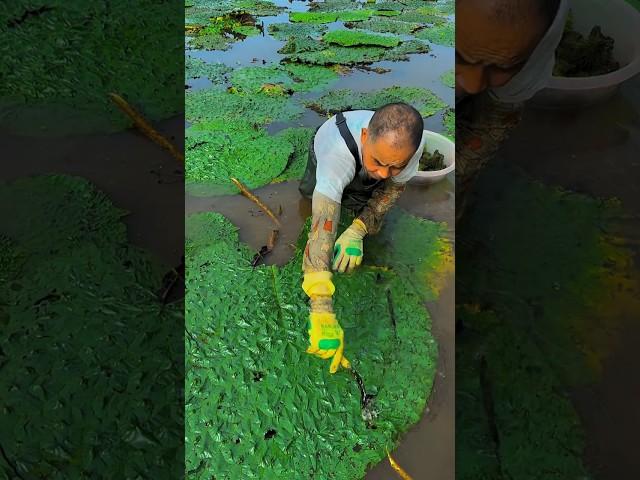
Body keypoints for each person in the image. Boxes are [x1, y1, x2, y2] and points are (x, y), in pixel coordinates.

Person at [298, 103, 425, 373]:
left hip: (365, 156)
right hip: (329, 146)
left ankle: (356, 204)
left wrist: (358, 229)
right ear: (366, 137)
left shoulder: (410, 148)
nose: (383, 173)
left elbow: (390, 191)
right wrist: (321, 305)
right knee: (312, 196)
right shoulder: (336, 155)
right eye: (378, 162)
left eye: (396, 165)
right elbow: (322, 228)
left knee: (363, 200)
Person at [456, 0, 569, 221]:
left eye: (502, 67)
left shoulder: (532, 36)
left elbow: (495, 118)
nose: (472, 85)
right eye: (458, 56)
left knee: (457, 173)